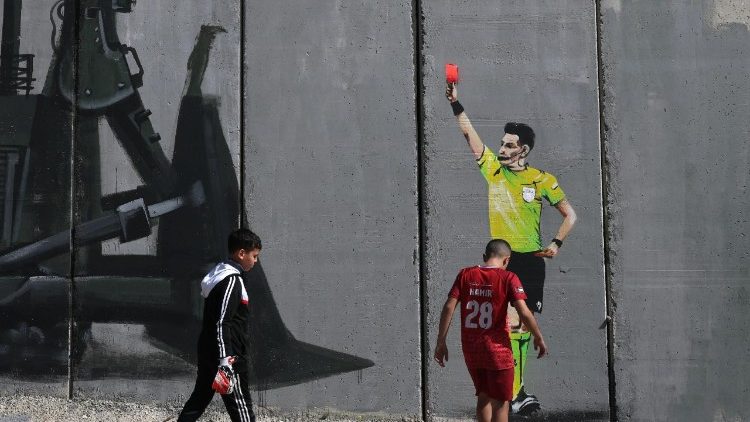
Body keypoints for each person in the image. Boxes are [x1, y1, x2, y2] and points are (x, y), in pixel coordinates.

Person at [446, 81, 577, 414]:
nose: (502, 149)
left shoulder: (542, 180)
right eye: (501, 144)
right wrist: (456, 103)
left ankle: (516, 391)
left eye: (509, 145)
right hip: (504, 262)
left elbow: (570, 215)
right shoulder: (494, 171)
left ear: (524, 150)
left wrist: (556, 242)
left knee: (521, 327)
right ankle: (513, 393)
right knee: (508, 323)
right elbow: (469, 136)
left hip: (531, 262)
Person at [434, 239, 547, 422]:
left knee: (483, 397)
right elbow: (524, 312)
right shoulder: (508, 278)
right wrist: (538, 336)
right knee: (501, 403)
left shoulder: (465, 274)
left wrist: (441, 341)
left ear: (484, 256)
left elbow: (449, 307)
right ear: (507, 260)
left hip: (472, 350)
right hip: (498, 351)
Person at [177, 228, 262, 422]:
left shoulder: (220, 275)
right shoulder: (232, 280)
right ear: (241, 253)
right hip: (228, 357)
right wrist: (225, 363)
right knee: (241, 407)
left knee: (199, 400)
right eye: (254, 256)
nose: (256, 261)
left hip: (210, 352)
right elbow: (222, 322)